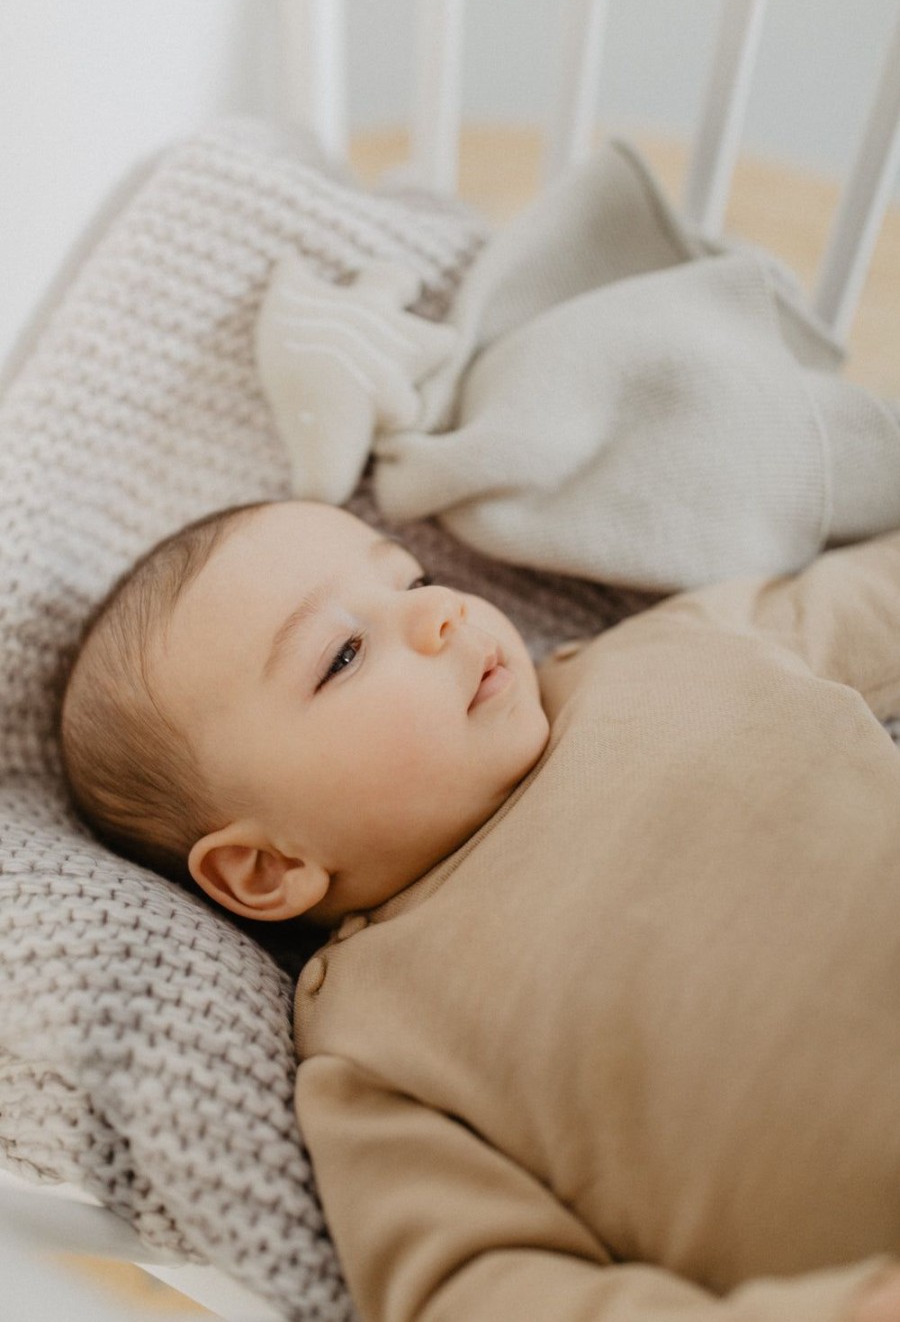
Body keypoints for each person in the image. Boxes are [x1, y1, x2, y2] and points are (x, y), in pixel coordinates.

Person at [60, 497, 900, 1322]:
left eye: (411, 579)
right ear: (268, 867)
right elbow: (471, 1288)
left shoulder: (665, 651)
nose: (438, 612)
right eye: (345, 654)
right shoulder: (373, 1042)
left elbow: (872, 598)